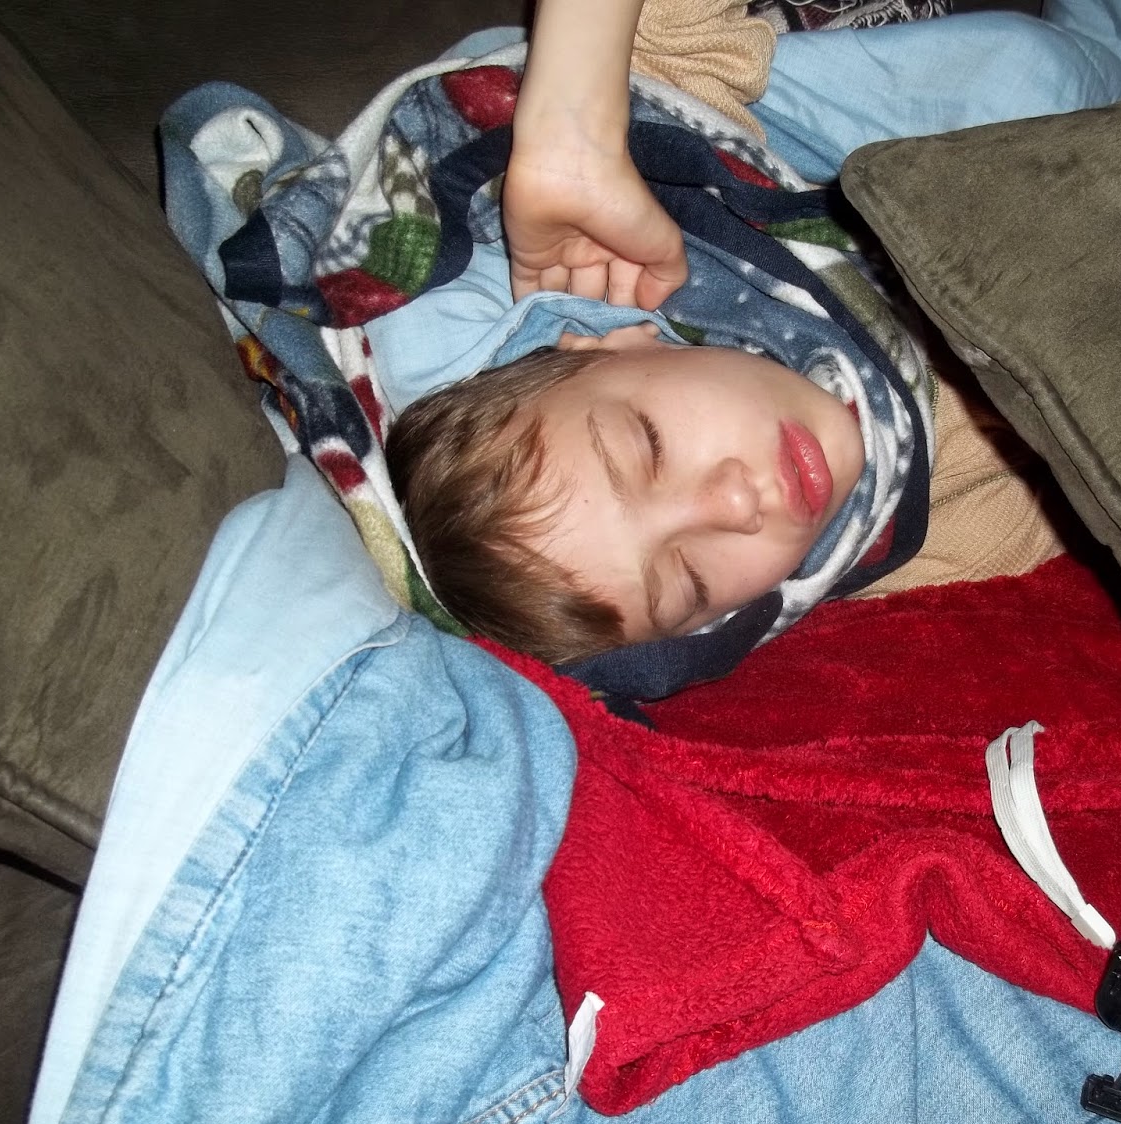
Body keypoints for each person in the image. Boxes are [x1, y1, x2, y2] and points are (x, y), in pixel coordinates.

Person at [384, 0, 1064, 672]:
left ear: (614, 342)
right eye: (691, 584)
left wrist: (573, 131)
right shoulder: (944, 543)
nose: (736, 504)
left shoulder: (678, 169)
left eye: (649, 445)